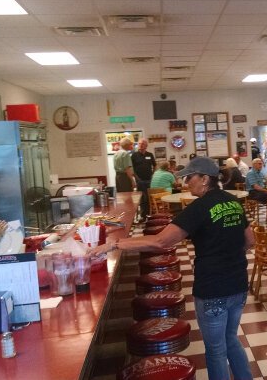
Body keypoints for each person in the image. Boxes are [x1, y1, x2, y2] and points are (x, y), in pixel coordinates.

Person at [88, 157, 254, 380]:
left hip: (213, 287)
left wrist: (114, 244)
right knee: (231, 339)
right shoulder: (232, 202)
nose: (186, 183)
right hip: (238, 284)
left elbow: (160, 242)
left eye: (190, 177)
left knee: (216, 349)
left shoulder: (199, 208)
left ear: (205, 179)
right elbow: (250, 241)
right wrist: (230, 254)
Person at [131, 138, 155, 219]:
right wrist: (136, 178)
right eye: (139, 143)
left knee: (148, 197)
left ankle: (149, 213)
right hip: (139, 180)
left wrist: (153, 174)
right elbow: (132, 168)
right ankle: (142, 215)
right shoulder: (134, 155)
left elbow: (154, 165)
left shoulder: (150, 155)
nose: (140, 145)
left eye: (143, 144)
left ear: (146, 146)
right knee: (142, 198)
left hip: (149, 179)